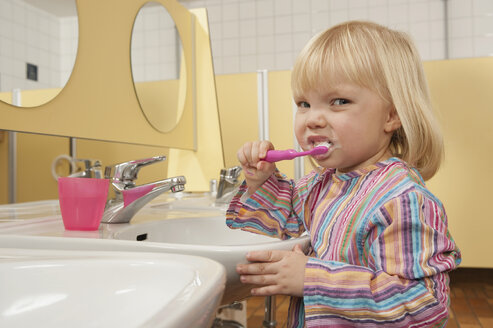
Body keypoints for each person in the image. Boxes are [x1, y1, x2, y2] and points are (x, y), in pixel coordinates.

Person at [226, 21, 461, 327]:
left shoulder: (403, 201)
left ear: (392, 114)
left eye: (339, 101)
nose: (312, 119)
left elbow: (423, 306)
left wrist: (312, 278)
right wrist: (261, 182)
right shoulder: (318, 186)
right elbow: (278, 229)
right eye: (304, 104)